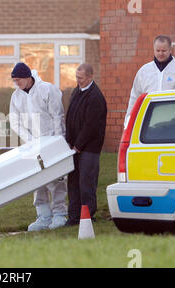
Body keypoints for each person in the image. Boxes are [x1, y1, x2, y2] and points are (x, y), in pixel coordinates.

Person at [9, 62, 68, 231]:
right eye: (15, 81)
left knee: (56, 179)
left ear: (28, 77)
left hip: (50, 140)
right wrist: (29, 140)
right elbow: (15, 122)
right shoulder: (16, 96)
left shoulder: (47, 90)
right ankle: (43, 215)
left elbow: (57, 116)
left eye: (19, 80)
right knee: (36, 179)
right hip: (31, 145)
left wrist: (58, 142)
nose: (17, 84)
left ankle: (59, 214)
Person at [65, 63, 107, 226]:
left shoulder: (95, 97)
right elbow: (70, 118)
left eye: (81, 78)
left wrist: (78, 146)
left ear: (90, 77)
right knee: (73, 182)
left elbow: (91, 126)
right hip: (74, 147)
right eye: (76, 77)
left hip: (89, 148)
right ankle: (74, 217)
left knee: (86, 183)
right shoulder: (77, 91)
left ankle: (87, 216)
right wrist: (69, 142)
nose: (78, 80)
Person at [125, 35, 175, 126]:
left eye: (164, 51)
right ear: (153, 49)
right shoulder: (144, 71)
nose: (160, 53)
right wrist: (128, 122)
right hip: (149, 126)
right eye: (158, 50)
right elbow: (134, 98)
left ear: (170, 49)